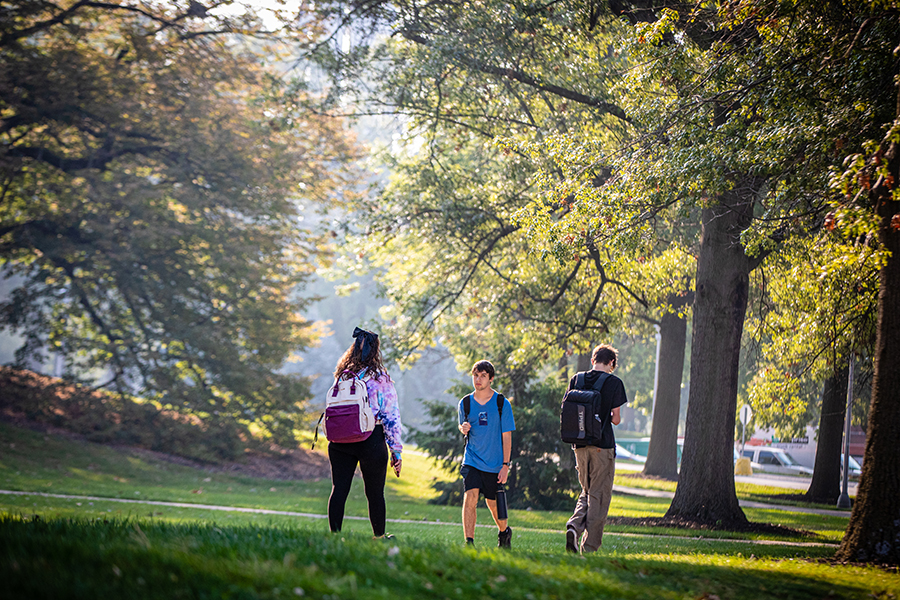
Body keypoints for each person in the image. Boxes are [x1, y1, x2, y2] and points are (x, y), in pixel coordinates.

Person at [327, 327, 402, 539]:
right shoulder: (380, 378)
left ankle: (335, 536)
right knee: (375, 493)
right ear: (375, 351)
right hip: (370, 438)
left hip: (340, 439)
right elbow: (391, 416)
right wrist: (396, 451)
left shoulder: (342, 375)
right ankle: (379, 537)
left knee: (339, 489)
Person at [565, 343, 628, 554]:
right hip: (602, 446)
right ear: (611, 363)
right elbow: (616, 419)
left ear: (593, 360)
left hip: (579, 446)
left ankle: (574, 527)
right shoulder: (614, 382)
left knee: (586, 491)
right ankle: (589, 548)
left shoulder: (576, 379)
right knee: (598, 496)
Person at [457, 360, 515, 548]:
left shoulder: (501, 404)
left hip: (494, 463)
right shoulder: (465, 403)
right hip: (472, 459)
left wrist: (505, 465)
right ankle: (469, 542)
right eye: (476, 375)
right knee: (470, 497)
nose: (478, 379)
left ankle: (504, 532)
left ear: (491, 378)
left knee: (493, 504)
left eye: (483, 376)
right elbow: (462, 426)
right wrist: (463, 428)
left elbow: (507, 436)